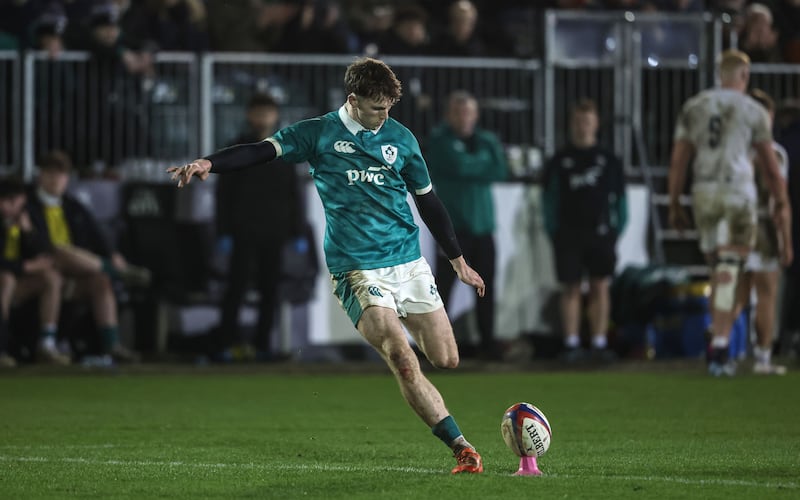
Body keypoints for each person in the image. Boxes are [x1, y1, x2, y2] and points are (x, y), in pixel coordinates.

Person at [168, 57, 486, 474]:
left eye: (389, 108)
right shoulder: (317, 133)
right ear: (352, 100)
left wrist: (458, 262)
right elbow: (261, 151)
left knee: (446, 360)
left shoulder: (402, 139)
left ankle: (426, 373)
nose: (383, 117)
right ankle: (461, 447)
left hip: (408, 264)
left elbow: (428, 202)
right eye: (376, 108)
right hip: (355, 269)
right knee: (402, 357)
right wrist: (209, 162)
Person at [667, 50, 791, 377]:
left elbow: (679, 159)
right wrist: (780, 200)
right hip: (736, 193)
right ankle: (720, 346)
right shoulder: (753, 110)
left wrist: (676, 201)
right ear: (744, 75)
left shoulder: (694, 106)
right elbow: (770, 166)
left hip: (704, 192)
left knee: (719, 271)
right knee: (730, 271)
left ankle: (719, 340)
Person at [26, 151, 146, 363]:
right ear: (40, 176)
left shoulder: (73, 206)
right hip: (42, 267)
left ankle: (112, 345)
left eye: (61, 175)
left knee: (101, 281)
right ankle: (116, 271)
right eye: (51, 174)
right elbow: (35, 245)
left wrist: (112, 253)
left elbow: (98, 234)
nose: (56, 180)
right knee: (60, 251)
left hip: (76, 269)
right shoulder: (29, 206)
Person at [213, 93, 305, 361]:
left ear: (275, 116)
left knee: (270, 290)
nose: (263, 117)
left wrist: (297, 231)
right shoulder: (236, 149)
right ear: (249, 115)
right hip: (242, 231)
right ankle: (226, 344)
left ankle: (263, 346)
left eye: (268, 112)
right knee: (236, 289)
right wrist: (223, 231)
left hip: (275, 231)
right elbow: (224, 195)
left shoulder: (285, 150)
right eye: (258, 112)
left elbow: (294, 194)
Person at [541, 98, 627, 362]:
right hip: (568, 235)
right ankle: (571, 343)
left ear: (596, 124)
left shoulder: (609, 160)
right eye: (578, 121)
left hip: (600, 234)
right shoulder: (559, 160)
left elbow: (621, 202)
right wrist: (553, 231)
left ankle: (599, 343)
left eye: (587, 121)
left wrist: (615, 231)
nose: (583, 127)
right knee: (571, 287)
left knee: (600, 286)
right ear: (571, 124)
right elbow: (548, 201)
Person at [425, 90, 507, 360]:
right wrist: (478, 164)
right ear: (449, 115)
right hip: (452, 230)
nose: (464, 117)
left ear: (476, 115)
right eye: (459, 112)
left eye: (468, 112)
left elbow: (500, 169)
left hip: (483, 228)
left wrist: (470, 164)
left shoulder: (486, 140)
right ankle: (438, 346)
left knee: (486, 288)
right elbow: (459, 165)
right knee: (442, 289)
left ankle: (487, 343)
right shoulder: (439, 141)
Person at [737, 89, 793, 375]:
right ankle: (762, 357)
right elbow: (778, 201)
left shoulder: (733, 150)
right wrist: (786, 240)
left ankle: (719, 347)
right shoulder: (774, 153)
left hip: (734, 227)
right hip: (762, 230)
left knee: (735, 293)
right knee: (767, 293)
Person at [0, 176, 68, 367]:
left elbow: (44, 255)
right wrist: (25, 267)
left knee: (51, 278)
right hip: (6, 280)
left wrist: (28, 232)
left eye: (17, 203)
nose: (12, 208)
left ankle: (47, 345)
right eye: (8, 202)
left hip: (17, 284)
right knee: (5, 279)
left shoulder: (25, 217)